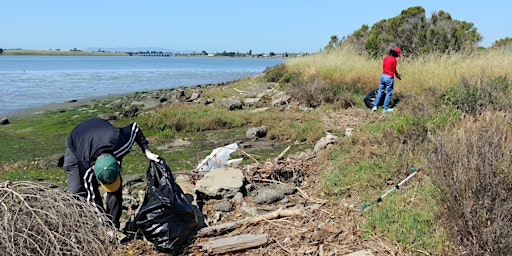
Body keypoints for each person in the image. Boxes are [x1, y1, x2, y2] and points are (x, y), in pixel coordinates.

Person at [63, 118, 160, 229]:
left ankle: (114, 224)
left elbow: (135, 128)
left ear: (117, 162)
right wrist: (104, 224)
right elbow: (92, 197)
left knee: (115, 188)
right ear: (93, 168)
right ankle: (81, 226)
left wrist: (147, 151)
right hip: (77, 138)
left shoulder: (121, 143)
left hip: (104, 131)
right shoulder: (84, 164)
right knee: (78, 190)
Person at [372, 47, 402, 113]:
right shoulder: (394, 60)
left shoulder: (385, 58)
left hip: (383, 76)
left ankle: (375, 106)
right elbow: (394, 70)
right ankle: (385, 108)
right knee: (389, 93)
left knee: (380, 91)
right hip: (389, 77)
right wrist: (398, 75)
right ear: (396, 54)